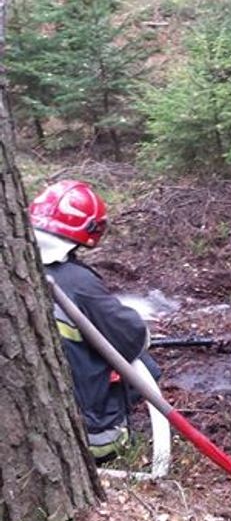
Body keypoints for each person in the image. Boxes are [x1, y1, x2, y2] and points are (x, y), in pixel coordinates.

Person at [28, 180, 160, 463]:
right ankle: (113, 440)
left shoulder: (17, 270)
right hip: (86, 433)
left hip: (29, 419)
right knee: (147, 367)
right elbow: (131, 337)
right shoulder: (78, 282)